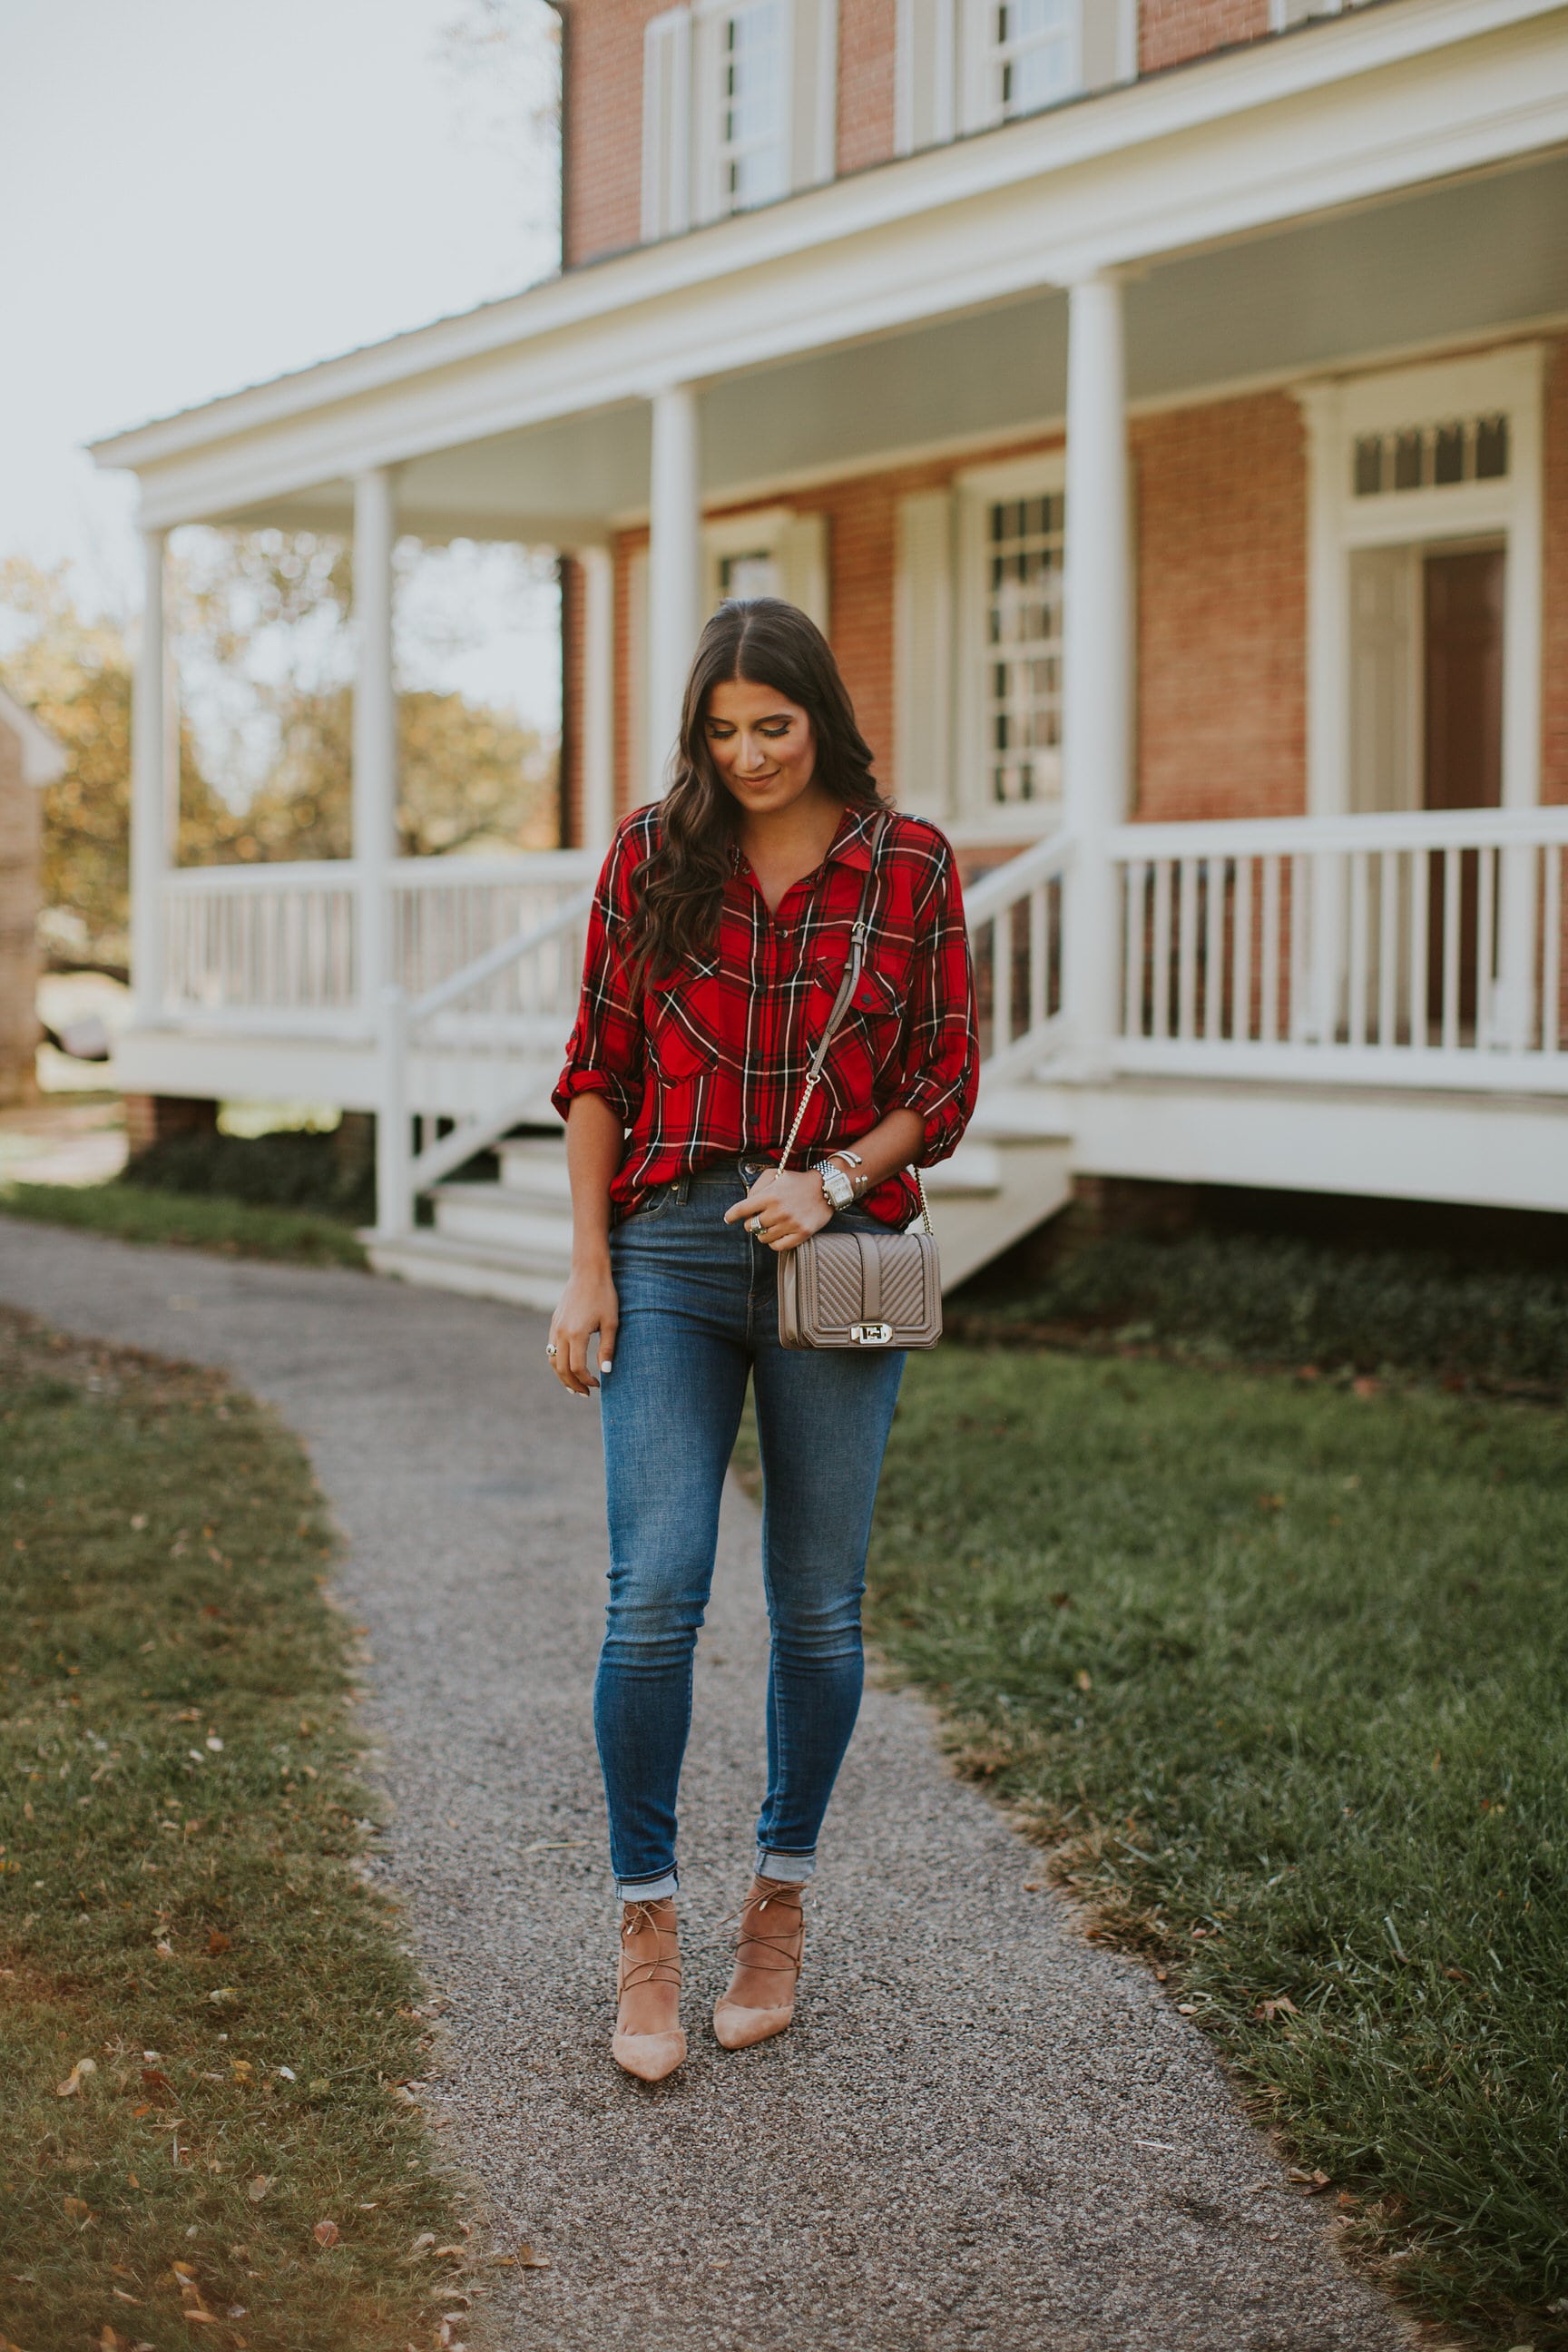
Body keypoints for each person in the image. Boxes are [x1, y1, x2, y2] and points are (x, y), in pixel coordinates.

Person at [548, 597, 978, 2082]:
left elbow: (943, 1078)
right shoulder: (649, 854)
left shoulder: (908, 864)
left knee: (816, 1608)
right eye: (723, 731)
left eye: (774, 727)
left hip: (842, 1253)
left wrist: (837, 1179)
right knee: (653, 1589)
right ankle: (647, 1928)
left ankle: (778, 1905)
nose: (748, 755)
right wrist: (586, 1268)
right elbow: (595, 1071)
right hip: (667, 1247)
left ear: (822, 715)